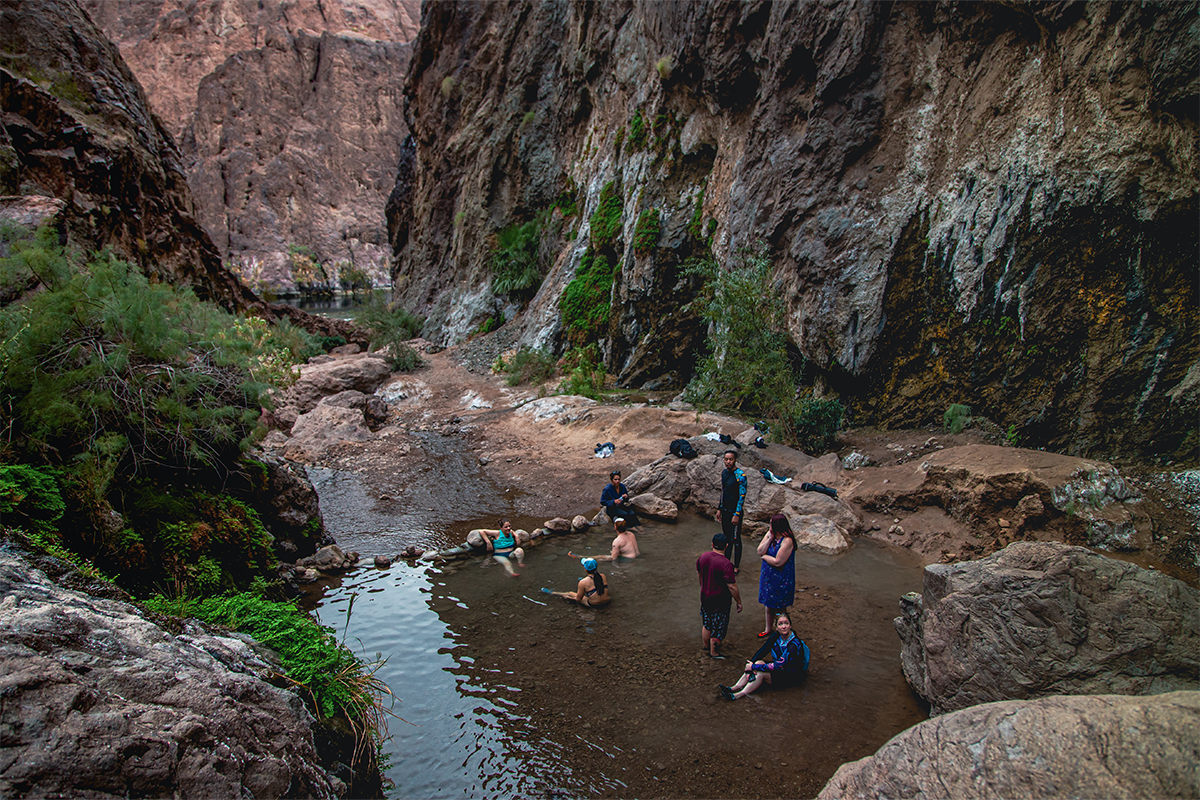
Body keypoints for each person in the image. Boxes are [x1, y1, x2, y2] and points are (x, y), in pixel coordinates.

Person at [719, 612, 809, 700]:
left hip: (791, 675)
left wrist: (753, 667)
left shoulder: (793, 645)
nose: (784, 626)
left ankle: (738, 695)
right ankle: (734, 687)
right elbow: (763, 650)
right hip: (780, 670)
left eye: (786, 623)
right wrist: (752, 664)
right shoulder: (776, 636)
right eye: (780, 624)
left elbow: (779, 665)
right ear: (776, 627)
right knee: (758, 662)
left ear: (790, 626)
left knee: (761, 672)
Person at [696, 533, 741, 659]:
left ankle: (706, 646)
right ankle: (714, 653)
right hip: (720, 602)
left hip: (705, 597)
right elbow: (732, 586)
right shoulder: (726, 564)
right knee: (718, 628)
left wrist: (703, 587)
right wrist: (739, 601)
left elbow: (699, 575)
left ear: (712, 544)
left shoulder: (703, 557)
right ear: (726, 546)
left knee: (707, 623)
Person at [756, 514, 796, 637]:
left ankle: (783, 629)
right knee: (768, 604)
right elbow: (760, 551)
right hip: (768, 576)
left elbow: (778, 562)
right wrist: (769, 538)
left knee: (781, 606)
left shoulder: (788, 540)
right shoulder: (770, 535)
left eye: (771, 523)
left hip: (781, 577)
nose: (770, 526)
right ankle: (768, 629)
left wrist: (765, 557)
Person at [715, 450, 747, 572]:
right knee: (726, 538)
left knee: (736, 539)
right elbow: (723, 492)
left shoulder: (740, 475)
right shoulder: (724, 473)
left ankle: (736, 566)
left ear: (735, 460)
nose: (728, 462)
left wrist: (737, 514)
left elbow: (742, 496)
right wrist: (719, 508)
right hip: (725, 511)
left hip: (735, 513)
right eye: (726, 459)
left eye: (731, 459)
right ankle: (727, 563)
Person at [545, 558, 610, 607]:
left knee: (570, 593)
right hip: (607, 601)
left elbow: (578, 599)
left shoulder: (583, 582)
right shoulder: (603, 576)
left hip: (594, 604)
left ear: (585, 569)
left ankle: (553, 593)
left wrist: (570, 597)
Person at [568, 518, 639, 562]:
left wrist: (601, 558)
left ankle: (582, 558)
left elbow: (614, 558)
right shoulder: (631, 534)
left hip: (628, 560)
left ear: (615, 527)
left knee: (602, 556)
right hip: (636, 557)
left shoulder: (617, 541)